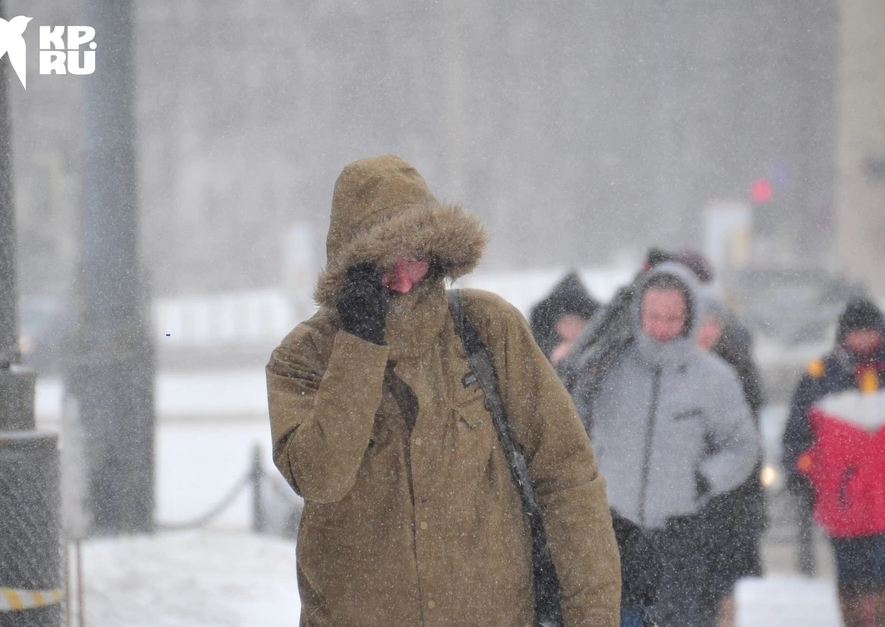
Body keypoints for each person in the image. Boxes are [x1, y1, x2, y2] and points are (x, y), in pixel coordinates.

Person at [265, 155, 621, 626]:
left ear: (437, 254)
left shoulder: (488, 330)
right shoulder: (303, 359)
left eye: (415, 258)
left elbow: (568, 478)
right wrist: (359, 347)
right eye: (382, 267)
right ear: (353, 270)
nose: (405, 280)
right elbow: (320, 476)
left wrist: (592, 618)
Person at [572, 261, 761, 627]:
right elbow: (574, 425)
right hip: (614, 536)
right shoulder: (608, 368)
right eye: (652, 315)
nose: (661, 327)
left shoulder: (714, 379)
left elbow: (743, 446)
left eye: (672, 317)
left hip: (682, 539)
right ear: (638, 312)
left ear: (690, 316)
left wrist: (704, 479)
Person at [675, 250, 767, 627]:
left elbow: (748, 440)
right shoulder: (671, 367)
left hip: (729, 501)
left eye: (714, 323)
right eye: (701, 323)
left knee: (723, 587)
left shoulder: (738, 367)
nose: (706, 331)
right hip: (685, 498)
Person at [782, 297, 885, 626]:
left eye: (871, 331)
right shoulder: (820, 376)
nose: (865, 339)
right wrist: (802, 473)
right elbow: (797, 435)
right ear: (843, 335)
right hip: (842, 505)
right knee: (852, 583)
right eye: (858, 332)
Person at [529, 272, 600, 366]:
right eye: (567, 324)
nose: (573, 330)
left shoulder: (600, 351)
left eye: (579, 324)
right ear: (553, 326)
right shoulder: (534, 352)